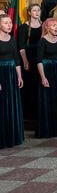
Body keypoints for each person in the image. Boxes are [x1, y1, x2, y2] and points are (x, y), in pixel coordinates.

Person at [36, 18, 57, 138]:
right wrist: (43, 77)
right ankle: (47, 129)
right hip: (47, 71)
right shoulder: (42, 42)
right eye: (53, 25)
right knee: (47, 100)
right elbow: (39, 61)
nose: (56, 27)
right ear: (47, 28)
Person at [0, 15, 24, 148]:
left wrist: (19, 76)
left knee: (11, 104)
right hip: (1, 74)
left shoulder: (12, 39)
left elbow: (16, 59)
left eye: (10, 22)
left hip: (11, 74)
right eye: (5, 23)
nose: (9, 25)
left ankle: (12, 136)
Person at [17, 4, 42, 120]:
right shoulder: (24, 27)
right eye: (34, 10)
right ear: (29, 12)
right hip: (29, 57)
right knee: (29, 85)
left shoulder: (44, 26)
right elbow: (21, 47)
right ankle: (28, 112)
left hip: (40, 57)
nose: (37, 12)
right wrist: (25, 61)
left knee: (39, 84)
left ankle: (38, 111)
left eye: (38, 10)